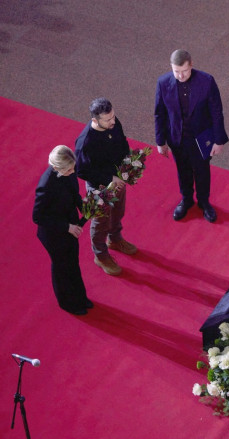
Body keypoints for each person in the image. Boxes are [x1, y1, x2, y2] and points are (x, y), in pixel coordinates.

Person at [154, 49, 229, 223]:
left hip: (201, 138)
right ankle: (186, 199)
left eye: (184, 71)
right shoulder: (163, 82)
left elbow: (216, 112)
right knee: (183, 170)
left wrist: (218, 140)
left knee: (202, 171)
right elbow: (159, 114)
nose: (180, 76)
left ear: (192, 65)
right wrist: (160, 141)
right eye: (176, 71)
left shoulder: (207, 81)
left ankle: (204, 202)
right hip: (177, 138)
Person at [75, 97, 137, 276]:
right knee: (100, 221)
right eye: (107, 119)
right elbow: (82, 171)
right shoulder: (85, 142)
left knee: (118, 211)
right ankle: (100, 255)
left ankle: (115, 239)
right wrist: (111, 178)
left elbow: (123, 143)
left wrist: (126, 168)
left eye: (113, 117)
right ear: (94, 120)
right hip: (99, 186)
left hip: (118, 178)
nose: (113, 121)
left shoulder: (113, 122)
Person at [33, 145, 92, 315]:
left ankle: (80, 297)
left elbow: (74, 195)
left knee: (73, 263)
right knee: (61, 267)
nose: (73, 172)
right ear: (56, 167)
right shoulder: (46, 186)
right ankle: (68, 303)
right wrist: (67, 227)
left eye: (73, 168)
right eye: (69, 170)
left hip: (71, 226)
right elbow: (37, 217)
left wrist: (87, 210)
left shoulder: (68, 171)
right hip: (54, 234)